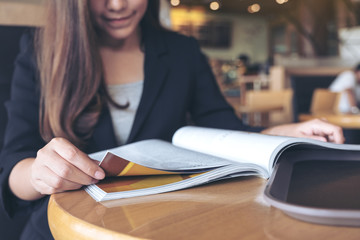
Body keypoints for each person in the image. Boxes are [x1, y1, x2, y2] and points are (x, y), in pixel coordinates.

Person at [0, 0, 344, 239]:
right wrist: (40, 172)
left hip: (166, 225)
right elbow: (14, 169)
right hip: (67, 229)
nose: (118, 5)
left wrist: (283, 133)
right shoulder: (41, 50)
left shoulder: (182, 51)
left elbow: (223, 129)